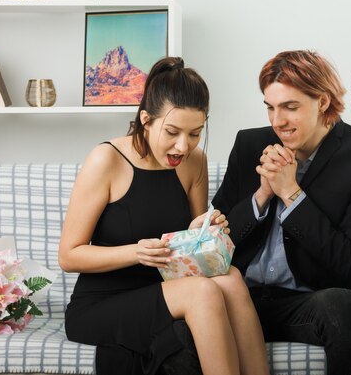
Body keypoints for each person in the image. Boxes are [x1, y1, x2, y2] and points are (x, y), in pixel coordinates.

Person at [59, 56, 269, 375]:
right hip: (103, 303)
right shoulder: (106, 160)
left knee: (231, 278)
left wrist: (202, 228)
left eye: (195, 133)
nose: (183, 146)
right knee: (202, 292)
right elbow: (69, 256)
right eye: (172, 132)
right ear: (146, 119)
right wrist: (136, 253)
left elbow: (193, 252)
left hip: (169, 289)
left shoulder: (194, 162)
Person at [212, 50, 351, 374]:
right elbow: (215, 239)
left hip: (307, 302)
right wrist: (264, 193)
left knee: (343, 306)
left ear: (322, 102)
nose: (277, 121)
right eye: (271, 107)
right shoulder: (249, 144)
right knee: (180, 323)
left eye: (289, 107)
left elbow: (347, 262)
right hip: (239, 297)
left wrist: (290, 193)